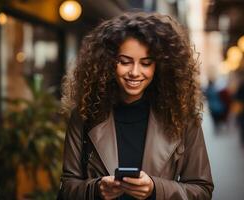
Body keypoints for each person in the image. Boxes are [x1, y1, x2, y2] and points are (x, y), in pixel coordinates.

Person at [58, 11, 214, 200]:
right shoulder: (84, 114)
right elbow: (67, 187)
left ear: (160, 66)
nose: (135, 72)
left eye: (146, 63)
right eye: (124, 62)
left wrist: (156, 190)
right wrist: (96, 189)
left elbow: (202, 189)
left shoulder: (182, 116)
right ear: (107, 63)